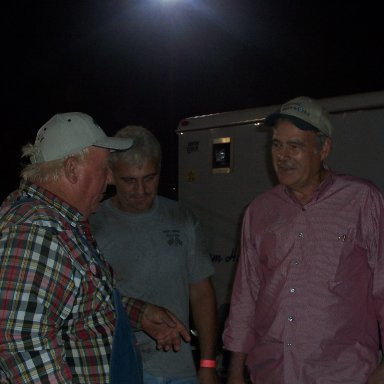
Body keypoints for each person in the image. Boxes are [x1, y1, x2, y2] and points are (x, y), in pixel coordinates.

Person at [0, 112, 191, 383]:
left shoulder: (61, 224)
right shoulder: (36, 233)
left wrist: (139, 314)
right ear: (71, 169)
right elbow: (18, 340)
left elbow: (77, 299)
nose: (110, 180)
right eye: (104, 169)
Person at [222, 96, 384, 383]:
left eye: (294, 146)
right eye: (276, 144)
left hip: (344, 375)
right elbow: (246, 296)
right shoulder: (259, 211)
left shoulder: (362, 201)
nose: (282, 156)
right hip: (272, 373)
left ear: (323, 149)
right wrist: (234, 371)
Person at [90, 125, 219, 384]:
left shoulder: (181, 218)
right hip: (120, 368)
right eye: (129, 180)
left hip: (179, 368)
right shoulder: (93, 223)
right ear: (111, 175)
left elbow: (201, 293)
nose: (140, 190)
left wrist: (207, 362)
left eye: (149, 178)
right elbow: (88, 300)